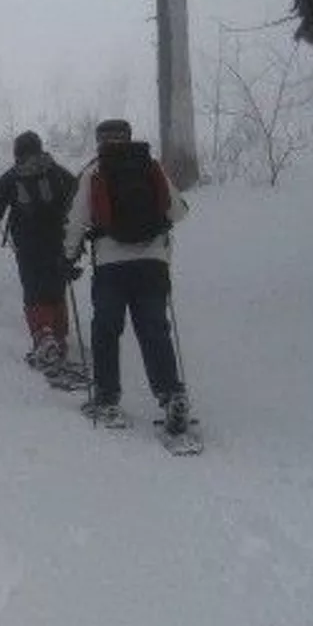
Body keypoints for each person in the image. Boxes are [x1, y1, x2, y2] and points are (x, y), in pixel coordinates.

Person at [63, 118, 191, 431]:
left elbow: (77, 220)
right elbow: (179, 211)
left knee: (106, 329)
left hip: (110, 264)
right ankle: (170, 394)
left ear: (100, 141)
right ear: (129, 137)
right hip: (153, 263)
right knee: (154, 330)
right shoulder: (151, 166)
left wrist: (67, 256)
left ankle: (106, 397)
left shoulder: (94, 172)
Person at [0, 130, 79, 376]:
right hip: (58, 242)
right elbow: (80, 200)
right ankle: (59, 340)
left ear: (17, 153)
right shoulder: (57, 172)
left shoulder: (13, 177)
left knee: (35, 291)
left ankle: (43, 339)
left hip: (28, 246)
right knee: (56, 289)